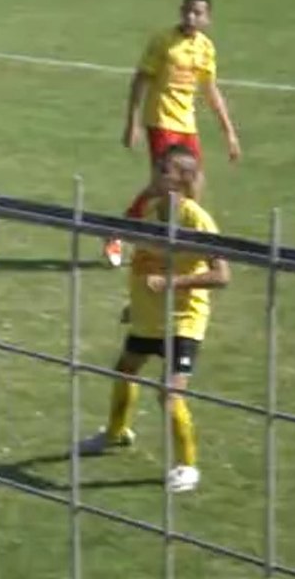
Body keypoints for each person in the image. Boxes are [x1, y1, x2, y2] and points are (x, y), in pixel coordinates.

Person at [79, 144, 230, 494]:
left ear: (183, 180)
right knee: (124, 370)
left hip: (183, 321)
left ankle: (187, 466)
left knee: (169, 393)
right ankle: (115, 432)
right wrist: (135, 304)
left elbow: (222, 275)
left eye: (165, 170)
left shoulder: (196, 220)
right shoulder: (150, 211)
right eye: (158, 167)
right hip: (148, 317)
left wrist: (172, 283)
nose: (156, 173)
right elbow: (143, 263)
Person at [103, 0, 241, 268]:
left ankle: (183, 240)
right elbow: (140, 80)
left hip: (187, 124)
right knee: (164, 185)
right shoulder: (163, 42)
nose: (191, 17)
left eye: (197, 13)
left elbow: (211, 90)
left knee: (194, 182)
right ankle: (118, 234)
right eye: (187, 11)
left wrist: (229, 132)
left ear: (207, 19)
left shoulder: (205, 47)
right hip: (161, 121)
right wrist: (132, 122)